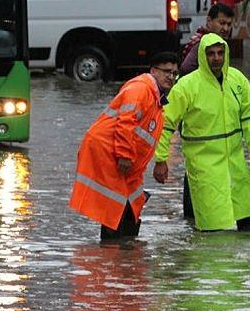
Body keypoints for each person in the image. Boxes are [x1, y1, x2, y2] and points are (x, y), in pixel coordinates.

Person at [153, 34, 250, 231]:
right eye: (211, 53)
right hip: (204, 167)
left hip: (236, 165)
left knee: (248, 226)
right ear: (203, 56)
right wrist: (161, 159)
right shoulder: (186, 86)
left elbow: (249, 116)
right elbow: (166, 123)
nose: (216, 58)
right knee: (212, 228)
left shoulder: (237, 80)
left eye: (220, 53)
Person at [70, 52, 181, 242]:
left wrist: (157, 163)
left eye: (174, 73)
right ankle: (114, 258)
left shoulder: (156, 99)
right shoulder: (141, 89)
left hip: (125, 160)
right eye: (166, 72)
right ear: (153, 71)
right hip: (109, 153)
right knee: (115, 211)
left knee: (132, 207)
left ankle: (127, 261)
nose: (170, 77)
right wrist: (124, 155)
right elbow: (125, 122)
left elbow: (142, 138)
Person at [179, 2, 235, 76]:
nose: (226, 28)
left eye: (229, 24)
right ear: (209, 21)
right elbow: (185, 69)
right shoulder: (201, 43)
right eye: (222, 23)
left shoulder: (220, 43)